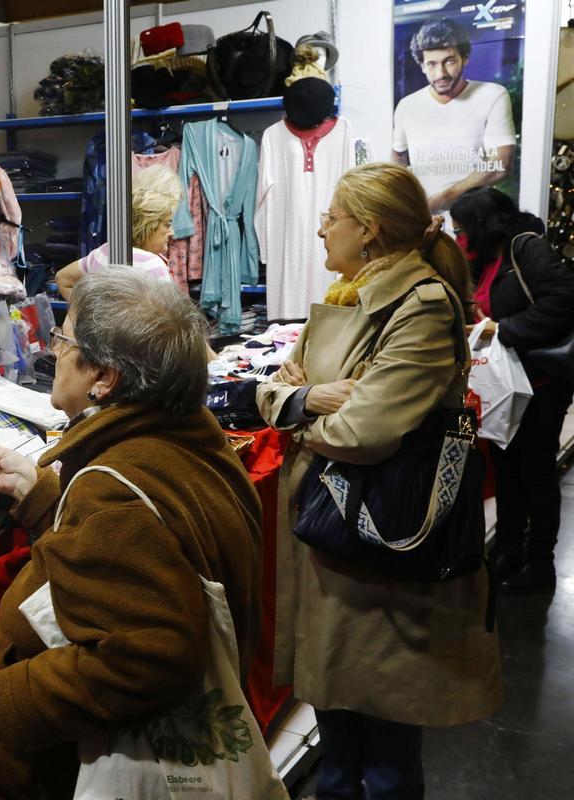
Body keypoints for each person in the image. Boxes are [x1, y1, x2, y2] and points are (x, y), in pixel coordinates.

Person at [0, 270, 264, 798]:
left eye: (64, 340)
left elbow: (148, 656)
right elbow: (144, 550)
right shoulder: (190, 439)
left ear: (103, 379)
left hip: (82, 768)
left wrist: (1, 705)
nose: (56, 352)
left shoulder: (114, 492)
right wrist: (47, 498)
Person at [257, 163, 502, 799]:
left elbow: (361, 435)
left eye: (330, 217)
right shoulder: (345, 299)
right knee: (338, 744)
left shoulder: (419, 307)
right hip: (333, 542)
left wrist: (299, 412)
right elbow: (274, 389)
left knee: (387, 754)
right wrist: (311, 400)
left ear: (367, 231)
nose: (318, 229)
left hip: (384, 549)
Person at [451, 187, 574, 593]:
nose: (459, 237)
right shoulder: (486, 261)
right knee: (506, 469)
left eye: (462, 228)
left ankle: (541, 566)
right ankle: (507, 549)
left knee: (536, 472)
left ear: (482, 225)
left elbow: (563, 300)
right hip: (507, 386)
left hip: (541, 384)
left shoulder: (526, 248)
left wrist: (502, 330)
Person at [392, 18, 516, 213]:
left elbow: (501, 165)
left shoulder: (492, 95)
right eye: (431, 64)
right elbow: (398, 158)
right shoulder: (407, 106)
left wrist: (440, 200)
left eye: (449, 61)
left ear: (465, 58)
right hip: (423, 221)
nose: (440, 73)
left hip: (474, 221)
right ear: (422, 65)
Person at [54, 165, 182, 299]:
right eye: (167, 224)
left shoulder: (103, 252)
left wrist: (87, 314)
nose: (171, 232)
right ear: (149, 225)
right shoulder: (153, 266)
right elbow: (167, 318)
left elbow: (62, 279)